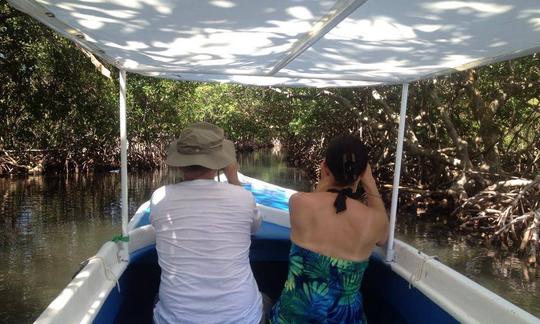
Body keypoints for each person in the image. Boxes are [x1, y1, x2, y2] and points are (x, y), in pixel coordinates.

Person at [150, 122, 265, 324]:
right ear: (221, 161)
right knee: (267, 300)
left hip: (175, 320)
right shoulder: (243, 197)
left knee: (156, 299)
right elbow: (254, 228)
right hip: (242, 318)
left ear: (179, 162)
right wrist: (233, 178)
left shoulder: (160, 198)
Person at [270, 135, 388, 324]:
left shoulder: (299, 203)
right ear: (362, 173)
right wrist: (370, 182)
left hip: (293, 316)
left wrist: (323, 182)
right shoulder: (374, 220)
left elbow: (319, 203)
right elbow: (383, 239)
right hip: (345, 319)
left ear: (325, 168)